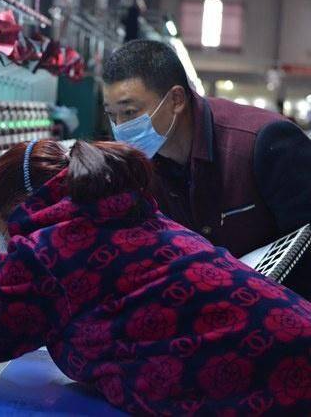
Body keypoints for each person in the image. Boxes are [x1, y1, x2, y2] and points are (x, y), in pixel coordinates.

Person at [0, 139, 311, 415]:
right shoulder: (115, 212)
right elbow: (44, 282)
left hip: (276, 387)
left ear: (16, 208)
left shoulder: (50, 252)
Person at [101, 40, 311, 297]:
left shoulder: (263, 142)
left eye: (129, 112)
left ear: (176, 99)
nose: (120, 127)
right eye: (112, 115)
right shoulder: (141, 170)